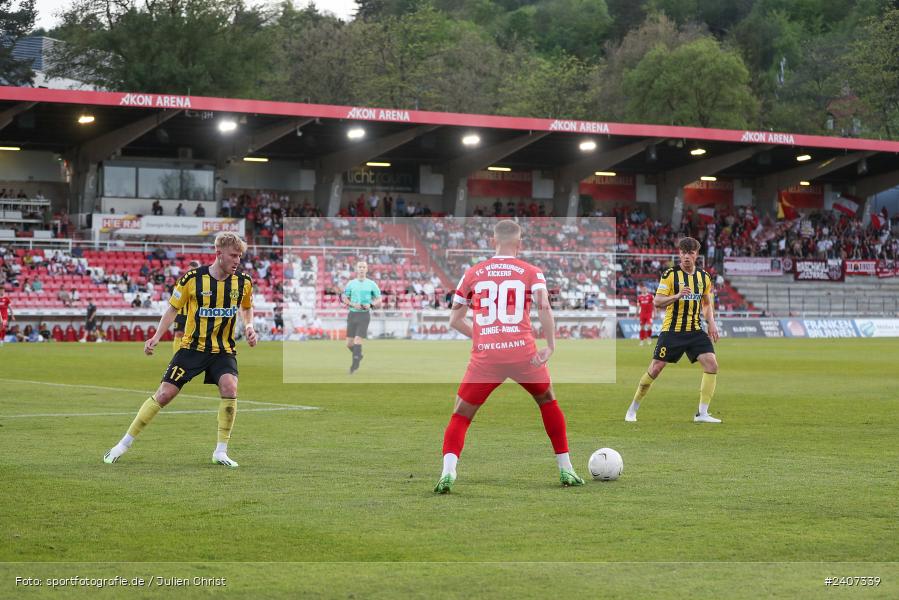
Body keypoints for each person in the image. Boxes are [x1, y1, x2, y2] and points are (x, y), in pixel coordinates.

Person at [434, 220, 584, 494]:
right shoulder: (531, 272)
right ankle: (567, 469)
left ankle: (448, 472)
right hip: (523, 353)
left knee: (461, 414)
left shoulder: (473, 272)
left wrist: (482, 337)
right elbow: (544, 308)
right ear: (520, 243)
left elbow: (454, 319)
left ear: (493, 241)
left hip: (486, 356)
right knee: (547, 400)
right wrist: (549, 346)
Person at [103, 232, 257, 467]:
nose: (238, 260)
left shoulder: (243, 281)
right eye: (233, 255)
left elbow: (247, 307)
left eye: (240, 256)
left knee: (230, 386)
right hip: (192, 348)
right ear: (218, 254)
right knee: (165, 394)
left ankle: (221, 451)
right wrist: (156, 336)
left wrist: (249, 326)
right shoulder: (192, 279)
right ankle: (122, 445)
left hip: (223, 349)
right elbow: (173, 309)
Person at [625, 237, 721, 424]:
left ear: (696, 255)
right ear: (679, 254)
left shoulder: (704, 277)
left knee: (712, 364)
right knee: (655, 368)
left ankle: (702, 414)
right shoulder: (670, 275)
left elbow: (707, 304)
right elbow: (657, 301)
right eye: (683, 253)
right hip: (672, 330)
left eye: (690, 253)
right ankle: (632, 409)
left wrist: (712, 323)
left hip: (694, 329)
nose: (686, 256)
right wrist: (677, 295)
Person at [341, 261, 381, 374]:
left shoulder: (371, 284)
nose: (362, 269)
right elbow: (344, 298)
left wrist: (371, 305)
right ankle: (358, 355)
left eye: (364, 267)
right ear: (356, 269)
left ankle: (354, 366)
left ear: (367, 269)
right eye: (360, 267)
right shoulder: (351, 284)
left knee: (358, 340)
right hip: (352, 314)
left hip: (364, 315)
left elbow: (379, 299)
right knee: (349, 343)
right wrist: (352, 304)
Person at [171, 260, 201, 354]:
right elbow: (176, 294)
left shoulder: (201, 281)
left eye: (194, 270)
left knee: (194, 335)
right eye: (191, 270)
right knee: (179, 333)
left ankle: (192, 355)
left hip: (194, 313)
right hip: (181, 312)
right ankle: (176, 356)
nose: (192, 272)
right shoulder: (181, 280)